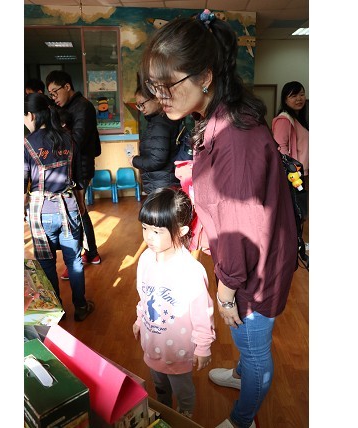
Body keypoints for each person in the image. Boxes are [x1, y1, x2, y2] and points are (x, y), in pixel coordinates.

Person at [140, 9, 298, 428]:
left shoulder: (234, 138)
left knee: (255, 349)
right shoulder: (220, 119)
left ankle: (242, 419)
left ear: (206, 77)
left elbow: (242, 231)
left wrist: (225, 292)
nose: (160, 95)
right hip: (248, 261)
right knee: (247, 345)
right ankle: (242, 373)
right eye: (154, 86)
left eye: (168, 84)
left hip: (254, 272)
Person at [133, 187, 215, 419]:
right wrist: (139, 319)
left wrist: (203, 346)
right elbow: (144, 295)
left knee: (182, 389)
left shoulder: (190, 270)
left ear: (181, 230)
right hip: (152, 342)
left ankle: (184, 415)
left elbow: (203, 312)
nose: (148, 237)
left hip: (178, 350)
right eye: (145, 228)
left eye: (157, 231)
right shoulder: (145, 260)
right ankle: (165, 411)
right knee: (159, 385)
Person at [24, 93, 95, 322]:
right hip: (69, 207)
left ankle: (57, 311)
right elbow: (78, 176)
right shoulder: (69, 139)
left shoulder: (26, 143)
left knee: (47, 264)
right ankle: (81, 307)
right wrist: (81, 204)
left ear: (31, 115)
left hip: (41, 213)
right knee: (74, 261)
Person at [45, 70, 102, 279]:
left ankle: (76, 259)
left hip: (80, 167)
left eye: (55, 91)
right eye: (50, 94)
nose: (54, 97)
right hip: (73, 167)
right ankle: (91, 253)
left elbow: (76, 141)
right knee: (79, 210)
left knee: (75, 212)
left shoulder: (83, 107)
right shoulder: (67, 107)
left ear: (67, 87)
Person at [129, 87, 182, 194]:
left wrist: (134, 160)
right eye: (138, 106)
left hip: (162, 185)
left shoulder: (160, 124)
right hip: (163, 182)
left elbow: (157, 160)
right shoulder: (160, 121)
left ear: (156, 99)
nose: (141, 108)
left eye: (142, 104)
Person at [272, 81, 309, 186]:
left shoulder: (299, 119)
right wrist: (292, 172)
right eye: (293, 96)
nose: (299, 99)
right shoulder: (283, 120)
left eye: (301, 94)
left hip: (303, 172)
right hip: (294, 176)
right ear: (285, 100)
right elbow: (281, 148)